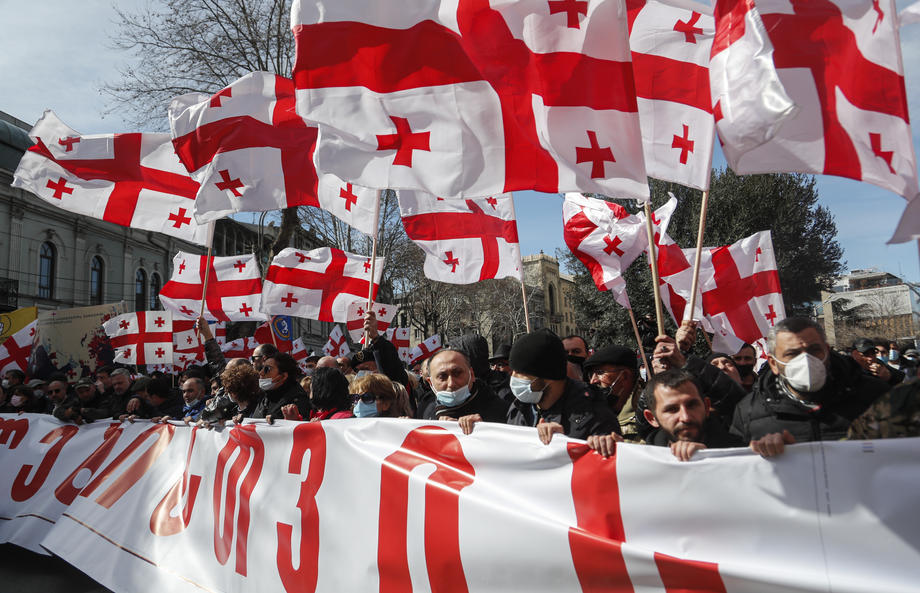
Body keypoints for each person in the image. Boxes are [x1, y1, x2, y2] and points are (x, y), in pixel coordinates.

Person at [731, 318, 888, 457]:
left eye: (814, 350)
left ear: (827, 351)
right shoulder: (749, 411)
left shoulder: (877, 396)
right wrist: (763, 453)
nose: (806, 360)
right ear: (773, 363)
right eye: (792, 354)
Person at [506, 330, 620, 456]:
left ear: (548, 376)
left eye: (521, 373)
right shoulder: (518, 407)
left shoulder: (594, 415)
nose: (513, 377)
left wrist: (563, 442)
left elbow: (608, 464)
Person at [642, 369, 743, 460]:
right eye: (672, 409)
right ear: (652, 418)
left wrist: (711, 459)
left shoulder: (741, 455)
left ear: (706, 407)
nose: (685, 417)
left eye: (692, 405)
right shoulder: (642, 463)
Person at [417, 349, 508, 433]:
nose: (451, 383)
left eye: (457, 373)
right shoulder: (425, 411)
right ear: (431, 383)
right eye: (442, 377)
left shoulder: (503, 411)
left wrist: (484, 427)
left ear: (471, 374)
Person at [583, 345, 643, 440]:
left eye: (600, 372)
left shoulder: (647, 409)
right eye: (591, 375)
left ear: (624, 376)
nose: (593, 381)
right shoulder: (590, 409)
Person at [254, 352, 311, 422]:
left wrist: (281, 421)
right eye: (261, 368)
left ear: (283, 376)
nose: (261, 373)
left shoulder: (297, 400)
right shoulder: (263, 396)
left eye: (267, 369)